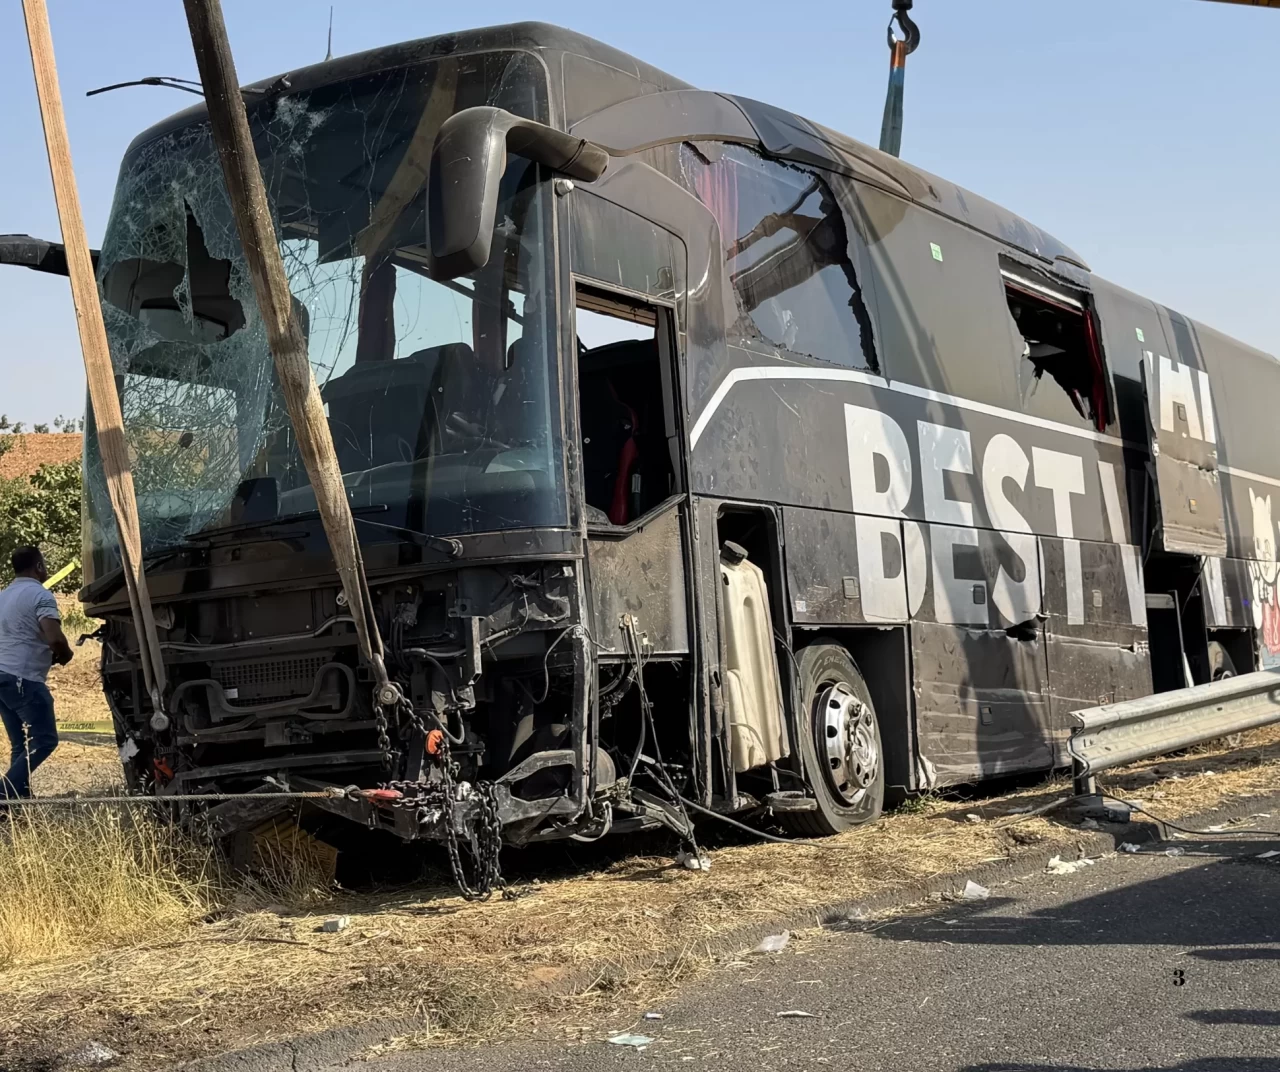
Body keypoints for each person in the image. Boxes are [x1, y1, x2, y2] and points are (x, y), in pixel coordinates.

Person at [0, 547, 72, 799]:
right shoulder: (40, 595)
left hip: (3, 677)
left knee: (21, 745)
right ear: (39, 567)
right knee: (44, 740)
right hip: (23, 678)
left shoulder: (3, 596)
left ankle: (17, 805)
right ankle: (2, 795)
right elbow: (55, 638)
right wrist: (65, 654)